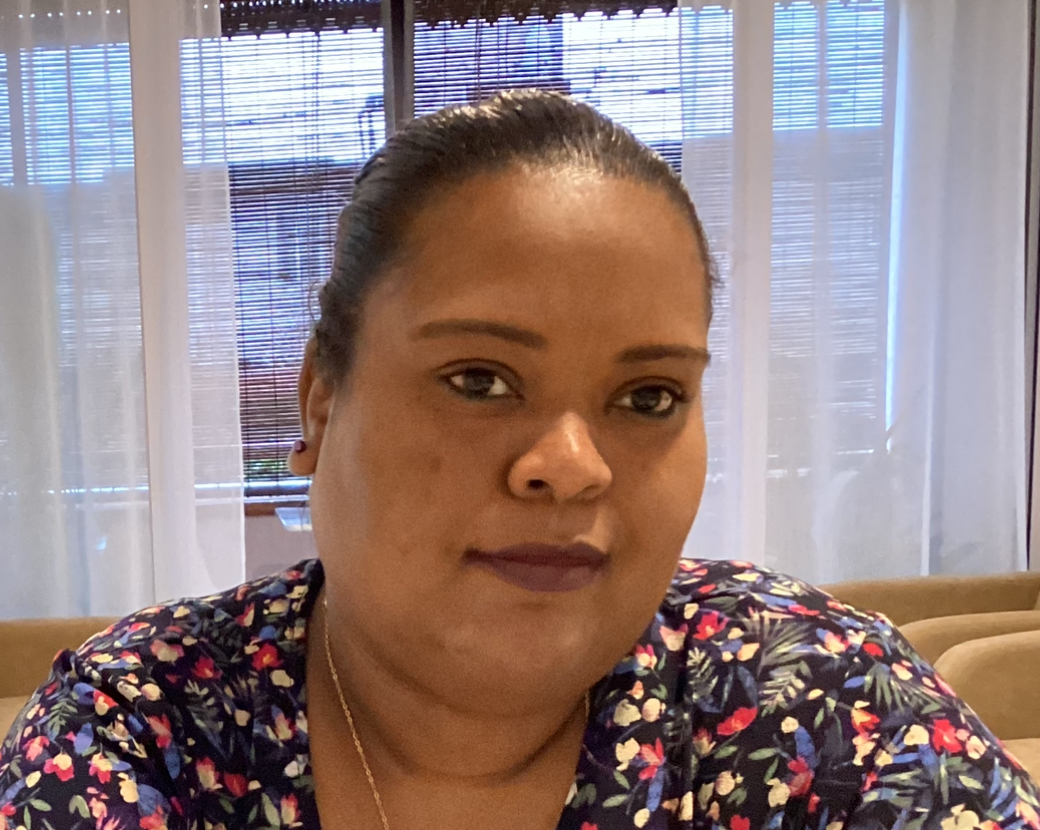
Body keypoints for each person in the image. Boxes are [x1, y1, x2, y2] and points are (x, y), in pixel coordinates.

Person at [1, 89, 1037, 830]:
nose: (571, 466)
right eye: (479, 379)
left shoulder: (811, 698)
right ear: (321, 397)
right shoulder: (142, 727)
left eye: (649, 396)